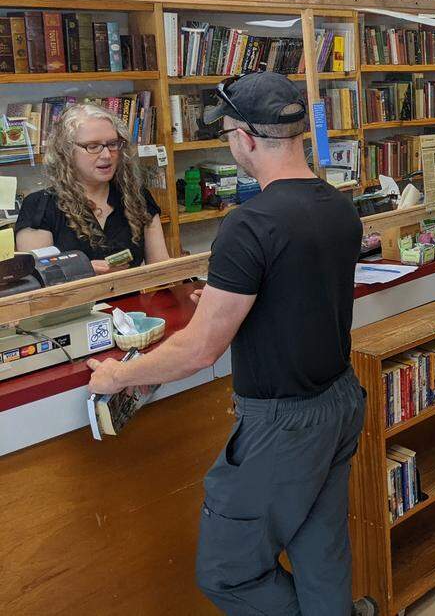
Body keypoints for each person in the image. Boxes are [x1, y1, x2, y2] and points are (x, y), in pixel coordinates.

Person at [86, 72, 374, 616]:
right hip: (338, 403)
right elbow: (298, 293)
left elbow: (200, 351)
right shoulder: (338, 206)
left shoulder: (250, 223)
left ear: (243, 138)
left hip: (283, 425)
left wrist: (119, 375)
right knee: (321, 557)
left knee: (229, 574)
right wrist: (226, 299)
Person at [16, 102, 169, 272]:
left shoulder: (137, 197)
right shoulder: (40, 206)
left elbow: (161, 271)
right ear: (66, 151)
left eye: (112, 144)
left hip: (129, 298)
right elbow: (38, 279)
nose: (106, 155)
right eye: (93, 146)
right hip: (74, 299)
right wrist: (83, 271)